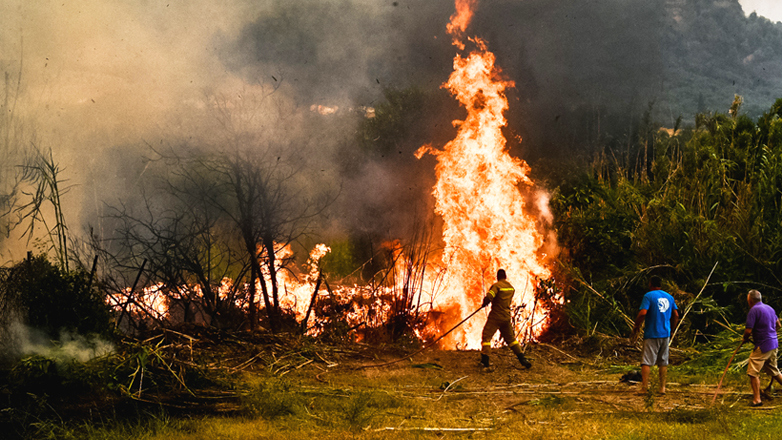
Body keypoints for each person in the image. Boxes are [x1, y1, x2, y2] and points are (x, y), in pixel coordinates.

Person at [630, 275, 679, 394]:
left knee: (646, 361)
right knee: (663, 362)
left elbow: (643, 313)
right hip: (665, 333)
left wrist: (636, 326)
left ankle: (645, 388)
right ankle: (662, 388)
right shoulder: (669, 297)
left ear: (650, 284)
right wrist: (672, 330)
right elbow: (676, 315)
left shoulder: (649, 296)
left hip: (652, 333)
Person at [480, 269, 532, 369]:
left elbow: (490, 296)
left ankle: (485, 360)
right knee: (511, 339)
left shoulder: (496, 286)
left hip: (495, 317)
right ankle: (522, 359)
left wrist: (485, 303)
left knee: (486, 336)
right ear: (505, 276)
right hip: (506, 317)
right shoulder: (511, 288)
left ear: (497, 277)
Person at [742, 289, 782, 407]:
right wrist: (771, 334)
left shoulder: (753, 310)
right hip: (773, 343)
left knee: (752, 372)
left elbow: (748, 330)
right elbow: (778, 325)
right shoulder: (769, 308)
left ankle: (757, 399)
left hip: (763, 346)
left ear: (750, 300)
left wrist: (745, 338)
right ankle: (757, 397)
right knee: (773, 370)